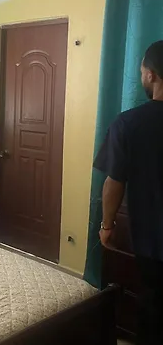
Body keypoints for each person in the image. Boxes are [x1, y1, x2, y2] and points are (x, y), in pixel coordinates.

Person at [94, 40, 163, 345]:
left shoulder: (129, 123)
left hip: (154, 241)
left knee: (154, 309)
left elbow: (114, 181)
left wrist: (107, 225)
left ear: (150, 75)